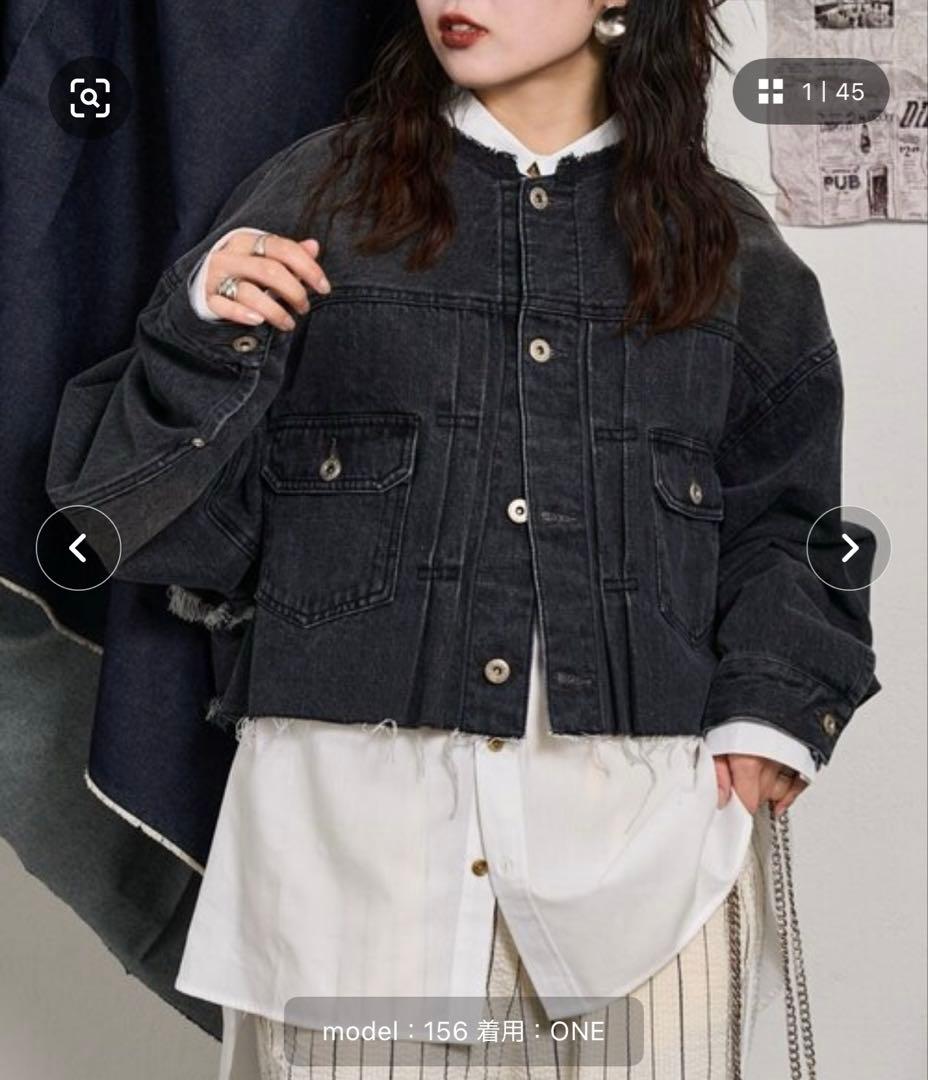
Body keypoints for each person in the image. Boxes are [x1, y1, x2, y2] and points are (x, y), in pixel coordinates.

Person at [45, 1, 879, 1076]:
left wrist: (773, 713)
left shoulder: (723, 247)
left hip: (647, 876)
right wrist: (200, 331)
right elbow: (152, 520)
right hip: (349, 879)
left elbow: (792, 515)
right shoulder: (319, 200)